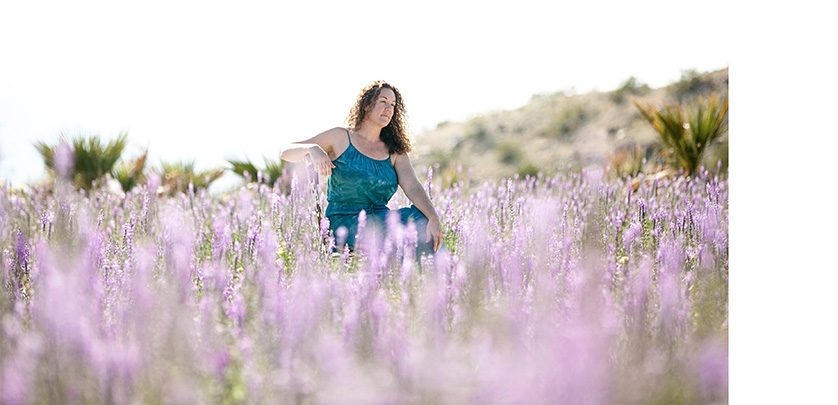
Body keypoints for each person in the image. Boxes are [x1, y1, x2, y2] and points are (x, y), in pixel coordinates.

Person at [280, 80, 443, 255]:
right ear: (366, 105)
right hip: (344, 224)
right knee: (395, 233)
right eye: (383, 101)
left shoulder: (395, 150)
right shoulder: (340, 137)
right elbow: (286, 152)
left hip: (381, 220)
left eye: (393, 104)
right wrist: (312, 149)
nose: (388, 108)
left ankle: (434, 278)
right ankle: (401, 277)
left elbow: (412, 185)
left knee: (422, 220)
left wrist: (433, 217)